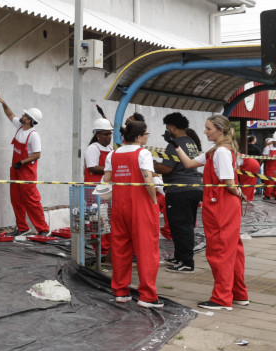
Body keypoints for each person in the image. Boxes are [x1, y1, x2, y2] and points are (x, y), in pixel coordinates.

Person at [168, 114, 248, 311]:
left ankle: (222, 299)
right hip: (223, 204)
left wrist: (238, 192)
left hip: (220, 205)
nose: (204, 131)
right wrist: (176, 145)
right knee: (232, 250)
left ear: (220, 131)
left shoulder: (220, 152)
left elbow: (228, 183)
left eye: (208, 128)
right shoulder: (216, 151)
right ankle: (238, 294)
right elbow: (189, 164)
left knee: (220, 251)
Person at [100, 117, 162, 307]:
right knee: (147, 251)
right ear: (139, 137)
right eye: (146, 135)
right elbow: (147, 180)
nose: (147, 138)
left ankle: (121, 292)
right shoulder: (143, 153)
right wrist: (153, 200)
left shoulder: (114, 154)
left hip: (119, 207)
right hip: (141, 207)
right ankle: (147, 296)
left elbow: (106, 179)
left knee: (120, 249)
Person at [0, 94, 48, 238]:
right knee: (16, 199)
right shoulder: (19, 126)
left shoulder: (34, 135)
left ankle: (43, 228)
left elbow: (37, 154)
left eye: (25, 115)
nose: (22, 115)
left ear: (29, 120)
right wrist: (3, 102)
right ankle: (22, 227)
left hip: (26, 172)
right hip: (16, 170)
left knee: (31, 200)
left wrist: (21, 162)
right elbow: (10, 114)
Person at [154, 112, 203, 273]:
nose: (167, 131)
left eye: (168, 127)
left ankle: (187, 262)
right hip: (194, 188)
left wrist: (152, 163)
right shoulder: (190, 142)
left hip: (179, 189)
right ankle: (180, 257)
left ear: (173, 127)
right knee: (185, 225)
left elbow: (167, 168)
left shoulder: (174, 144)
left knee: (180, 226)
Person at [83, 117, 113, 258]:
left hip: (105, 191)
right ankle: (100, 251)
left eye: (110, 134)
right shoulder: (93, 148)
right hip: (93, 191)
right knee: (97, 221)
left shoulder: (110, 149)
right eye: (106, 134)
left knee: (107, 221)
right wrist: (111, 170)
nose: (109, 137)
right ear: (97, 134)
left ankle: (108, 249)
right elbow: (93, 168)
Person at [262, 131, 276, 200]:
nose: (275, 143)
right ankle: (267, 195)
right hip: (270, 168)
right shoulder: (268, 148)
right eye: (274, 141)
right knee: (269, 181)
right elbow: (263, 157)